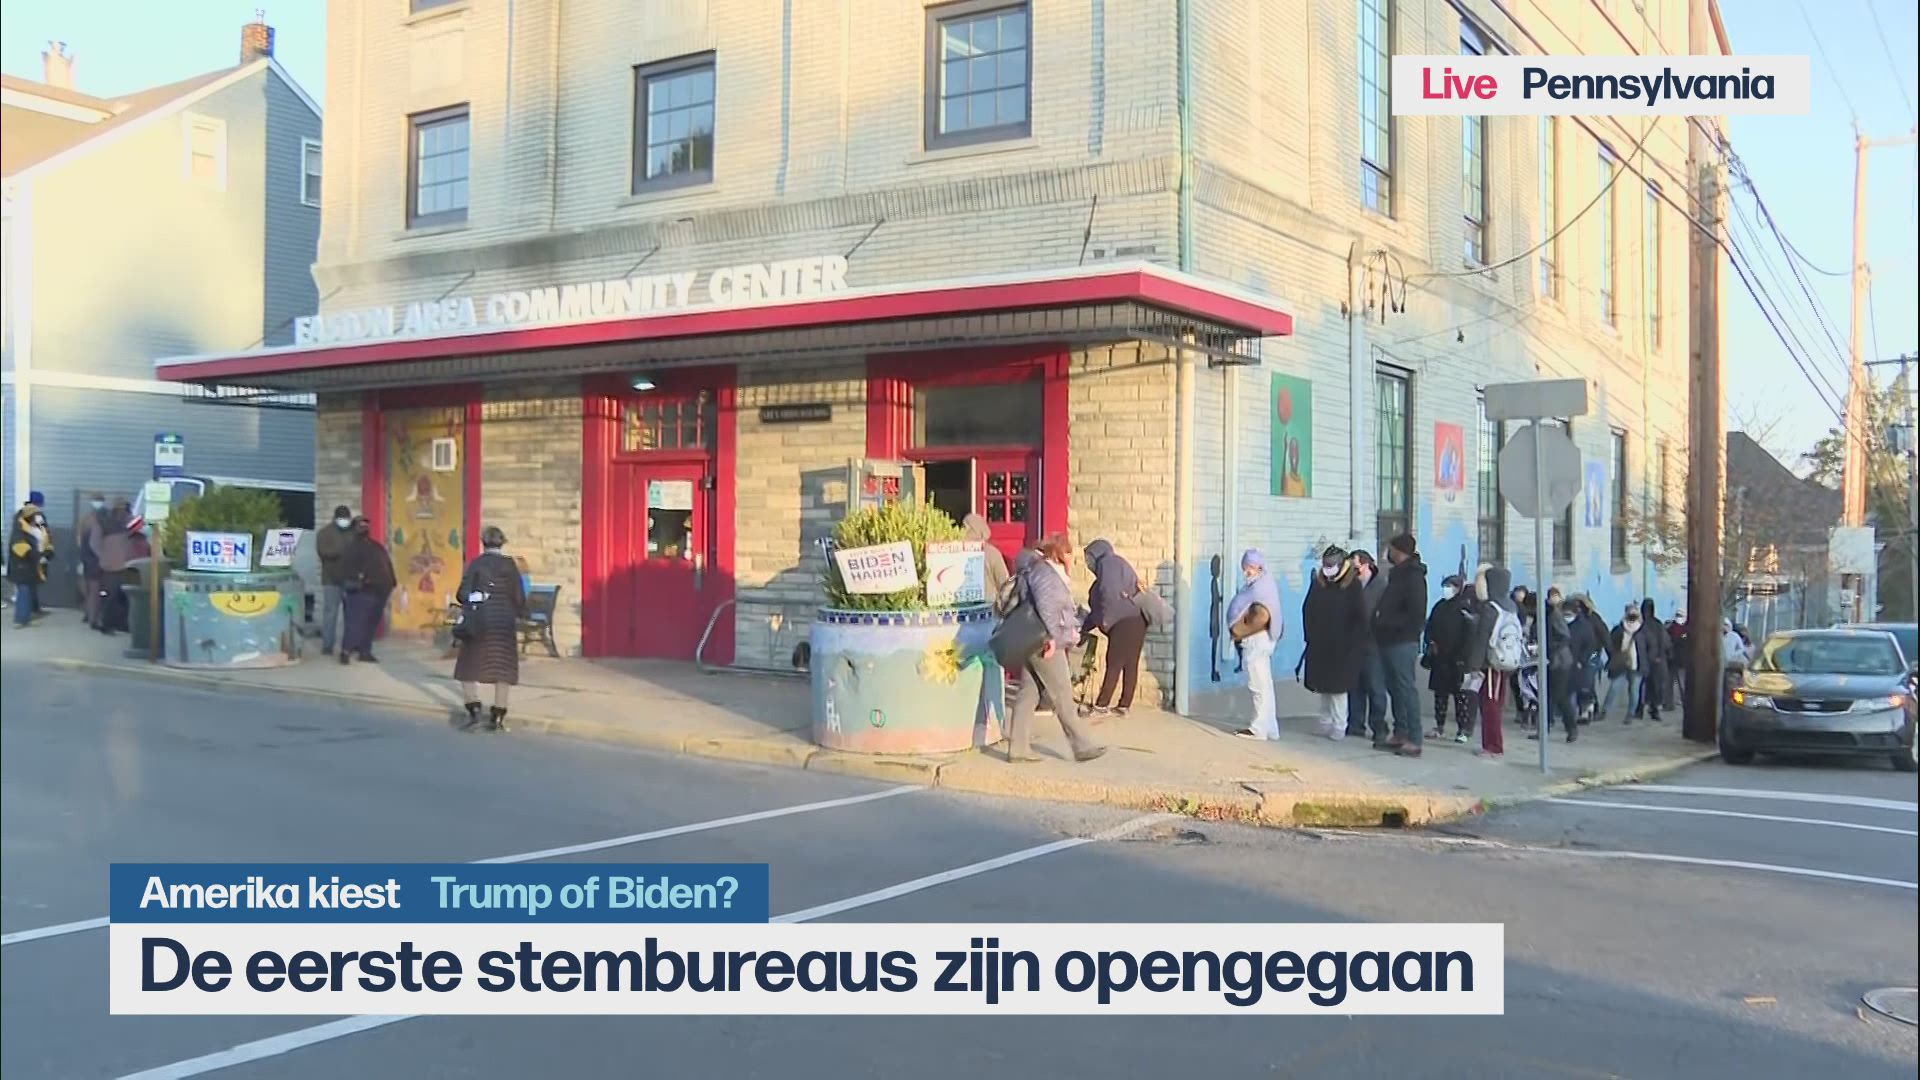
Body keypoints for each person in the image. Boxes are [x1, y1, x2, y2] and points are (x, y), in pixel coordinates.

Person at [1001, 533, 1106, 764]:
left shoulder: (1039, 570)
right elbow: (1047, 608)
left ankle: (1018, 748)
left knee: (1028, 693)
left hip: (1032, 639)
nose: (1071, 557)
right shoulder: (1045, 573)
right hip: (1044, 641)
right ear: (1057, 553)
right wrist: (1052, 639)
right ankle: (1081, 746)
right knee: (1063, 694)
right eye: (1067, 553)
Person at [453, 526, 530, 732]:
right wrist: (520, 615)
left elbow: (462, 594)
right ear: (502, 543)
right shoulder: (510, 565)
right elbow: (519, 597)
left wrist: (478, 597)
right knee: (502, 669)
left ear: (483, 542)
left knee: (468, 668)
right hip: (503, 624)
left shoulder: (477, 564)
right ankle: (498, 716)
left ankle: (474, 711)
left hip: (479, 622)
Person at [1302, 546, 1367, 740]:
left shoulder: (1352, 585)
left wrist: (1353, 643)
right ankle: (1325, 721)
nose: (1328, 569)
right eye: (1326, 565)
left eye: (1332, 565)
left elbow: (1359, 617)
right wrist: (1310, 635)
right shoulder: (1319, 583)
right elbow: (1308, 610)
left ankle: (1340, 724)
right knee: (1323, 687)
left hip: (1343, 645)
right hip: (1321, 643)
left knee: (1339, 689)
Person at [1372, 534, 1428, 757]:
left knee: (1406, 688)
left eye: (1391, 548)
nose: (1388, 552)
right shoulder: (1397, 575)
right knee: (1394, 688)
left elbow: (1416, 613)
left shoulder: (1413, 577)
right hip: (1387, 639)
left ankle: (1414, 738)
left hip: (1403, 641)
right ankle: (1400, 732)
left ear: (1399, 550)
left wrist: (1387, 622)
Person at [1080, 538, 1146, 717]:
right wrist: (1088, 626)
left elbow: (1107, 594)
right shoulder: (1118, 565)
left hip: (1123, 623)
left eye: (1089, 557)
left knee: (1114, 663)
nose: (1088, 563)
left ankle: (1102, 706)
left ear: (1097, 554)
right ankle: (1124, 705)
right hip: (1137, 620)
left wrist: (1105, 621)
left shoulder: (1108, 563)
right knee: (1130, 663)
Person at [1227, 549, 1283, 740]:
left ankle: (1258, 728)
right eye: (1245, 567)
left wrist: (1239, 629)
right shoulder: (1262, 583)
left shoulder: (1261, 587)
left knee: (1257, 685)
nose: (1247, 571)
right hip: (1260, 640)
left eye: (1251, 567)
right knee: (1265, 684)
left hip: (1257, 640)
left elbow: (1260, 614)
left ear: (1260, 567)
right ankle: (1270, 728)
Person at [1463, 563, 1513, 760]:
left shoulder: (1491, 608)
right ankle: (1490, 744)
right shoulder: (1508, 606)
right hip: (1501, 661)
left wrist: (1474, 666)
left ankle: (1493, 747)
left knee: (1490, 705)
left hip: (1490, 664)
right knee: (1493, 704)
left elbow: (1482, 639)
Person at [336, 516, 396, 664]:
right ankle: (346, 651)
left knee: (371, 623)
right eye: (361, 525)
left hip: (380, 589)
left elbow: (387, 564)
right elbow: (345, 570)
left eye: (366, 525)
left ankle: (365, 651)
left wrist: (392, 581)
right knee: (355, 623)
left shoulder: (376, 546)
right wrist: (360, 579)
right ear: (354, 528)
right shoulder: (351, 548)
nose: (364, 527)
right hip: (362, 590)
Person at [1348, 550, 1391, 745]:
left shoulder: (1381, 586)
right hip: (1354, 643)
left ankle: (1379, 726)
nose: (1353, 572)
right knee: (1355, 686)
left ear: (1366, 565)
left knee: (1375, 687)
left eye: (1356, 567)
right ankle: (1355, 724)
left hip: (1374, 644)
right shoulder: (1351, 585)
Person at [1423, 574, 1474, 742]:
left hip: (1457, 660)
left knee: (1461, 697)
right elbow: (1429, 626)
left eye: (1451, 586)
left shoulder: (1464, 608)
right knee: (1440, 695)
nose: (1447, 589)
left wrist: (1463, 657)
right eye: (1445, 586)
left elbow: (1469, 634)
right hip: (1440, 659)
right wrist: (1431, 642)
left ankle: (1462, 730)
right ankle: (1439, 727)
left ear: (1459, 588)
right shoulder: (1440, 606)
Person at [1530, 593, 1580, 743]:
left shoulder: (1553, 615)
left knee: (1559, 696)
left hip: (1559, 661)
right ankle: (1544, 729)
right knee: (1545, 696)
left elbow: (1565, 637)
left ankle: (1571, 728)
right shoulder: (1543, 616)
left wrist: (1549, 649)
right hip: (1549, 660)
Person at [8, 492, 54, 628]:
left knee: (31, 588)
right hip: (22, 562)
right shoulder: (21, 519)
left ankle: (30, 614)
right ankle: (20, 619)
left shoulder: (39, 518)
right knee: (24, 589)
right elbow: (18, 543)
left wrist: (48, 552)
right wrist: (35, 555)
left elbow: (45, 535)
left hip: (34, 561)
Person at [91, 499, 137, 634]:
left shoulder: (128, 523)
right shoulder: (103, 524)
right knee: (111, 597)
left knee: (122, 597)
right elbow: (94, 543)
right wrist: (104, 556)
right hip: (112, 566)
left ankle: (120, 623)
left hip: (125, 565)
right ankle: (107, 624)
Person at [315, 504, 355, 656]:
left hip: (350, 578)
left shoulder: (353, 532)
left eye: (347, 518)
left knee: (351, 614)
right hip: (331, 579)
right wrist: (342, 552)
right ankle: (328, 645)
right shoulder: (325, 533)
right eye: (342, 518)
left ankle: (349, 645)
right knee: (330, 613)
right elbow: (323, 552)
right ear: (335, 518)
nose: (345, 521)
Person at [1601, 603, 1643, 722]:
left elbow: (1650, 646)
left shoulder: (1642, 630)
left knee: (1634, 691)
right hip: (1620, 665)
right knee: (1614, 688)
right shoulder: (1619, 629)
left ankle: (1630, 714)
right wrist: (1614, 656)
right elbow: (1609, 644)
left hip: (1637, 665)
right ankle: (1604, 711)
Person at [1635, 598, 1671, 722]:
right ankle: (1652, 709)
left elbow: (1642, 646)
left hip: (1649, 660)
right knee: (1654, 687)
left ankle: (1643, 709)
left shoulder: (1645, 626)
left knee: (1646, 686)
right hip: (1657, 660)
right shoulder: (1657, 624)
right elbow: (1666, 642)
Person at [76, 492, 106, 628]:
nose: (98, 502)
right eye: (96, 500)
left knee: (91, 587)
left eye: (99, 499)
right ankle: (90, 613)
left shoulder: (92, 518)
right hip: (90, 557)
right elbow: (79, 537)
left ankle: (90, 613)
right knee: (89, 587)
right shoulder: (87, 519)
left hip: (89, 557)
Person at [964, 513, 1011, 600]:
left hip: (961, 605)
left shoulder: (954, 551)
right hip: (988, 604)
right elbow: (1004, 584)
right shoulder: (992, 553)